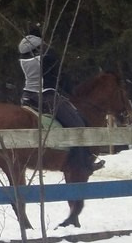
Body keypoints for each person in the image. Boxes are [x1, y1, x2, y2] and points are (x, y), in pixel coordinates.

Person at [18, 27, 102, 174]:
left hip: (27, 97)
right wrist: (70, 91)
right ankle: (82, 163)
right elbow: (59, 77)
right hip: (46, 96)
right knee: (77, 125)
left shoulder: (22, 55)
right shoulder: (48, 54)